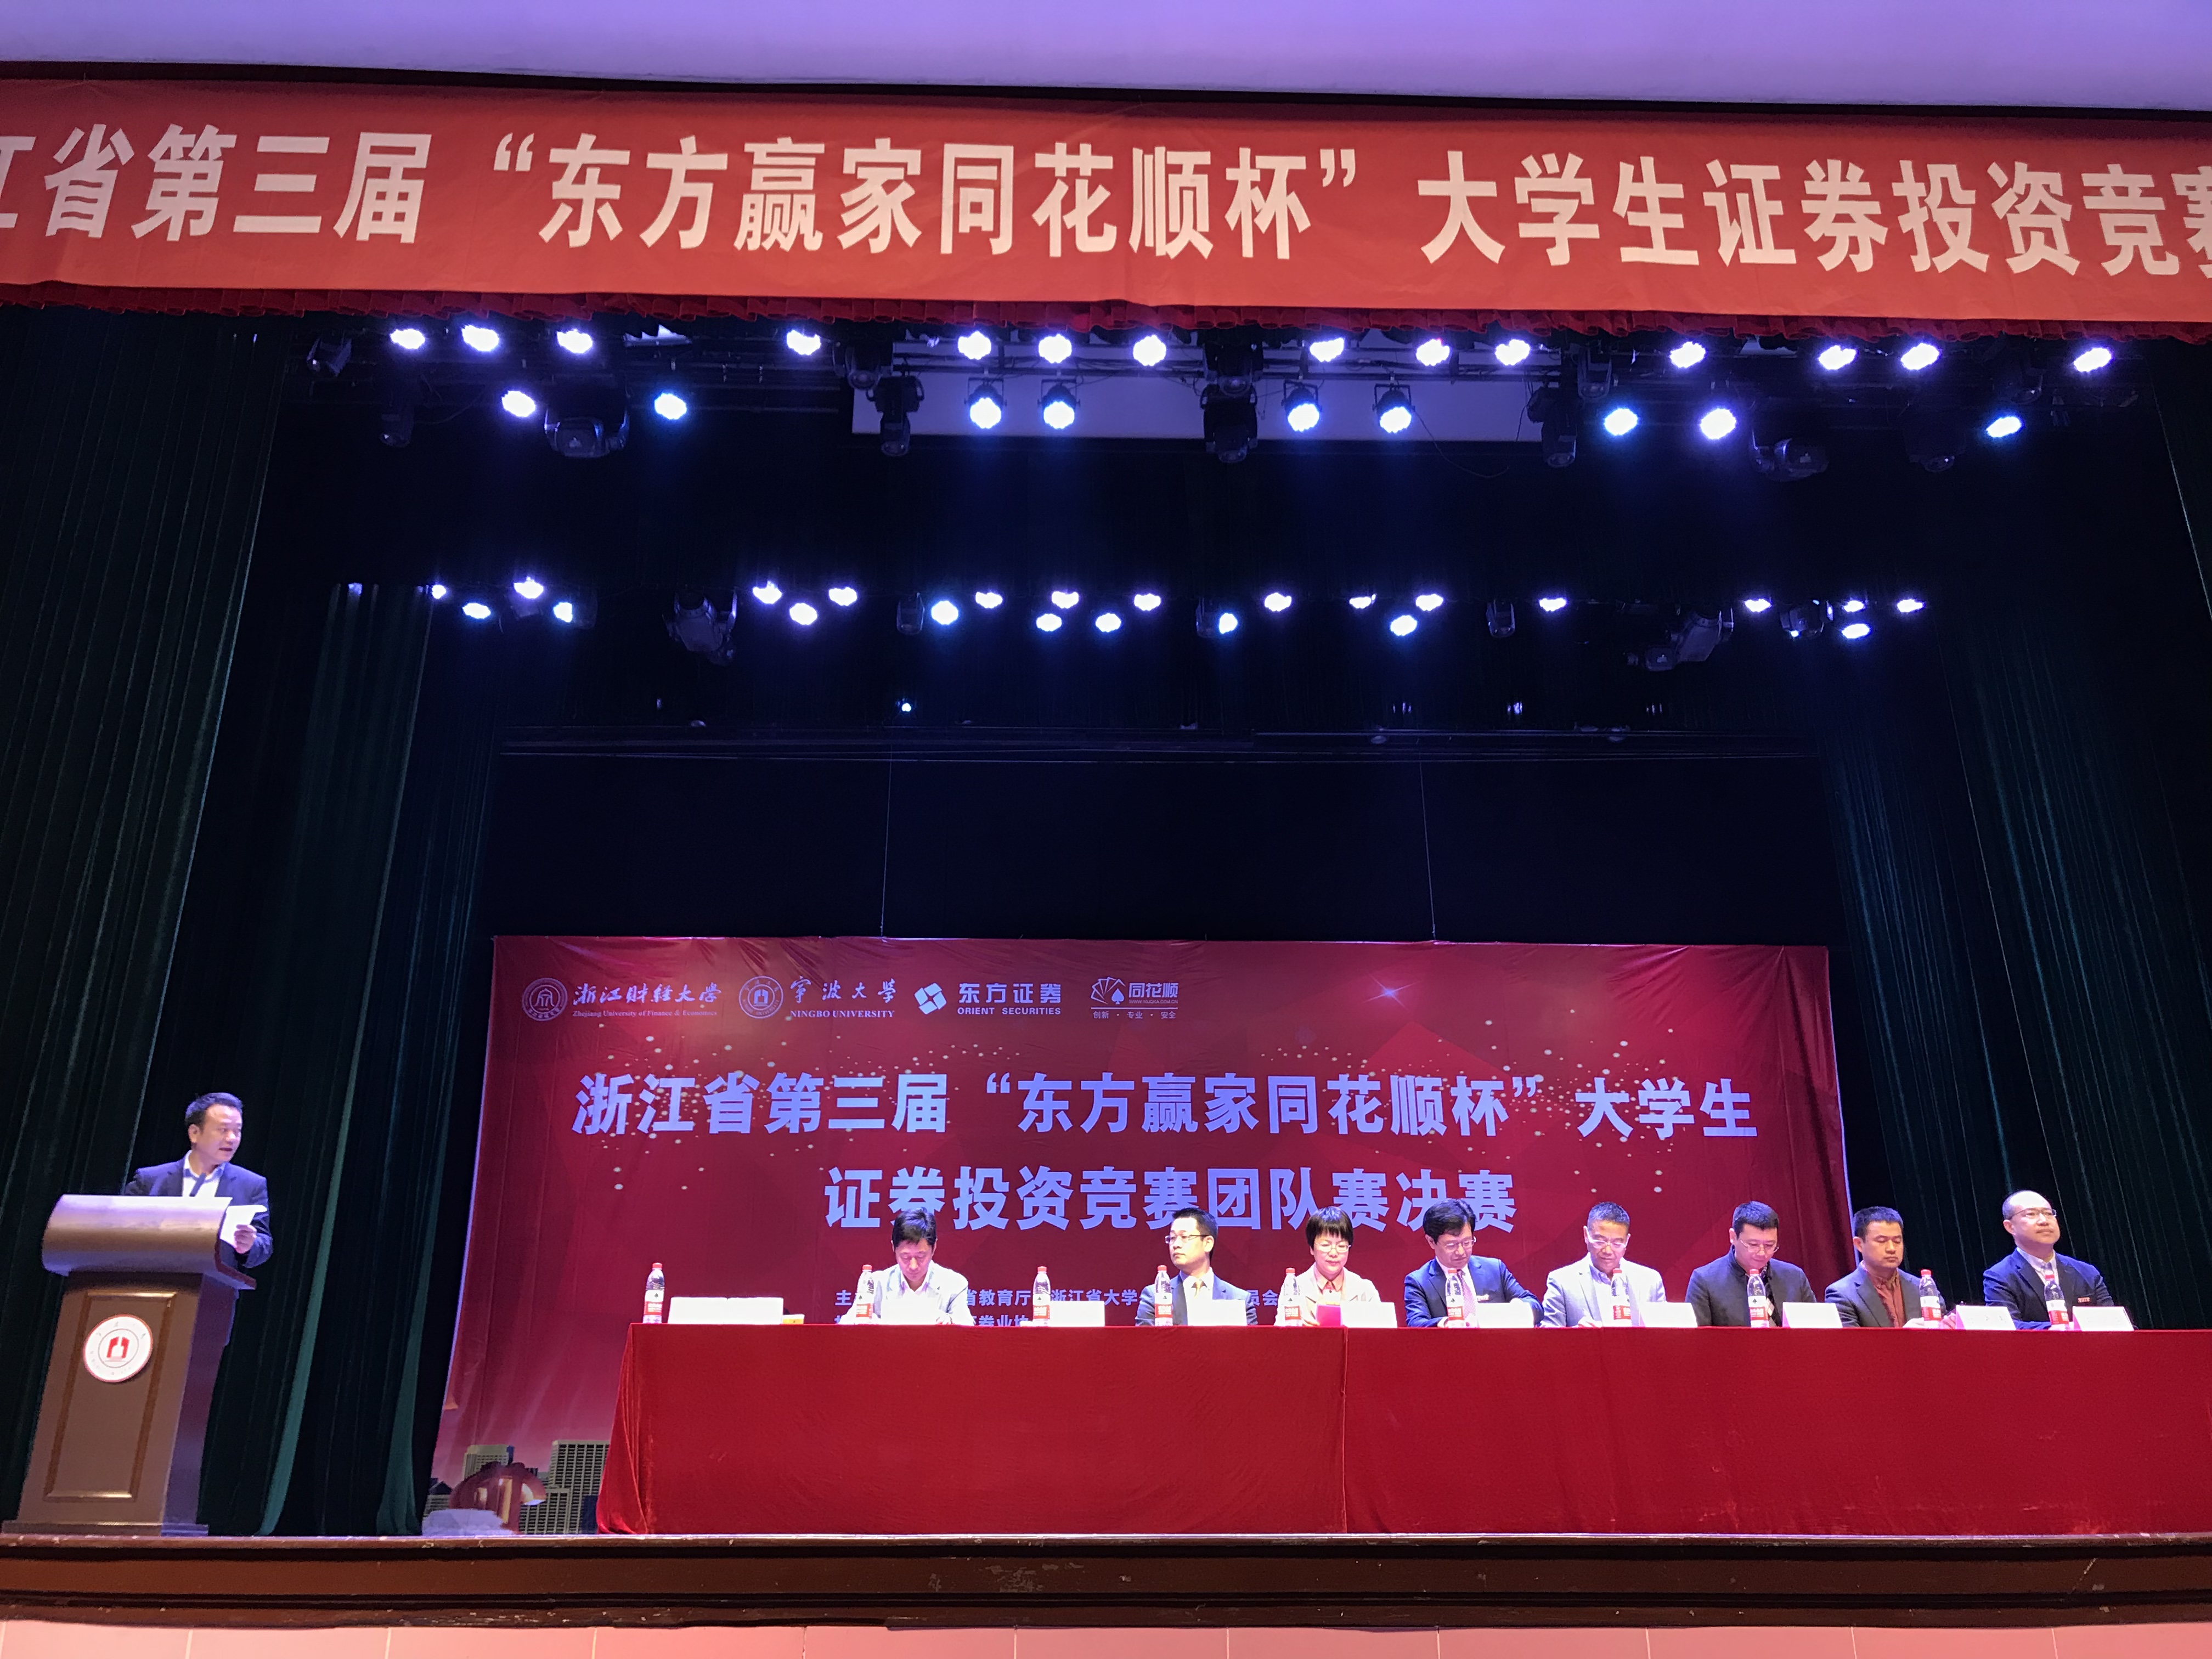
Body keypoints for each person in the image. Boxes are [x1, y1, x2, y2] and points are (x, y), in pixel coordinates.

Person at [122, 1091, 272, 1272]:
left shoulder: (251, 1185)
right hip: (150, 1278)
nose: (232, 1138)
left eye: (237, 1131)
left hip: (213, 1283)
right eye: (223, 1130)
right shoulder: (150, 1179)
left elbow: (264, 1244)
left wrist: (249, 1245)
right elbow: (119, 1229)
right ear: (194, 1133)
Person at [1981, 1190, 2115, 1329]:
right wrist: (2058, 1330)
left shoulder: (2087, 1272)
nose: (2044, 1221)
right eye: (2031, 1214)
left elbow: (2113, 1323)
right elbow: (2007, 1326)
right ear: (2010, 1227)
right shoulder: (1999, 1276)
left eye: (2049, 1213)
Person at [1403, 1199, 1537, 1327]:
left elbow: (1535, 1305)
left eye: (1467, 1243)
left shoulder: (1495, 1270)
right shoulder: (1419, 1282)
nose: (1461, 1252)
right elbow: (1416, 1322)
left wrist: (1517, 1307)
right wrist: (1447, 1324)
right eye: (1451, 1245)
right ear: (1431, 1242)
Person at [1686, 1200, 1814, 1327]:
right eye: (1753, 1245)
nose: (1762, 1253)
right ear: (1733, 1237)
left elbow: (1815, 1329)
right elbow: (1698, 1337)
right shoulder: (1705, 1281)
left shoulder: (1795, 1277)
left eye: (1770, 1245)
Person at [1541, 1201, 1666, 1327]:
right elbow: (1548, 1333)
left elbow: (1663, 1333)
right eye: (1600, 1242)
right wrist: (1576, 1333)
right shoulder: (1562, 1281)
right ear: (1586, 1235)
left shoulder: (1650, 1281)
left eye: (1617, 1243)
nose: (1608, 1251)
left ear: (1627, 1240)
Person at [840, 1207, 974, 1324]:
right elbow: (847, 1324)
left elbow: (967, 1327)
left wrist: (951, 1321)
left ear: (934, 1248)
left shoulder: (954, 1284)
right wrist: (867, 1323)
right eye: (905, 1257)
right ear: (894, 1248)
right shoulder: (876, 1283)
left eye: (921, 1256)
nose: (913, 1266)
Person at [1143, 1207, 1257, 1325]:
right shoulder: (1154, 1296)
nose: (1176, 1245)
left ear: (1208, 1243)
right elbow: (1146, 1337)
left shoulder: (1240, 1299)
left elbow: (1251, 1338)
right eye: (1172, 1238)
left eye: (1184, 1237)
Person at [1825, 1205, 1934, 1328]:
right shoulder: (1842, 1294)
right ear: (1859, 1244)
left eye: (1897, 1241)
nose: (1892, 1249)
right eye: (1882, 1241)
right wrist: (1907, 1335)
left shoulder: (1923, 1287)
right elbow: (1851, 1340)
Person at [1283, 1206, 1383, 1324]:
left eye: (1341, 1246)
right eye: (1326, 1245)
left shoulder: (1364, 1290)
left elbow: (1379, 1331)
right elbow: (1281, 1330)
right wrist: (1301, 1330)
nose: (1334, 1253)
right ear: (1312, 1248)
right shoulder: (1294, 1289)